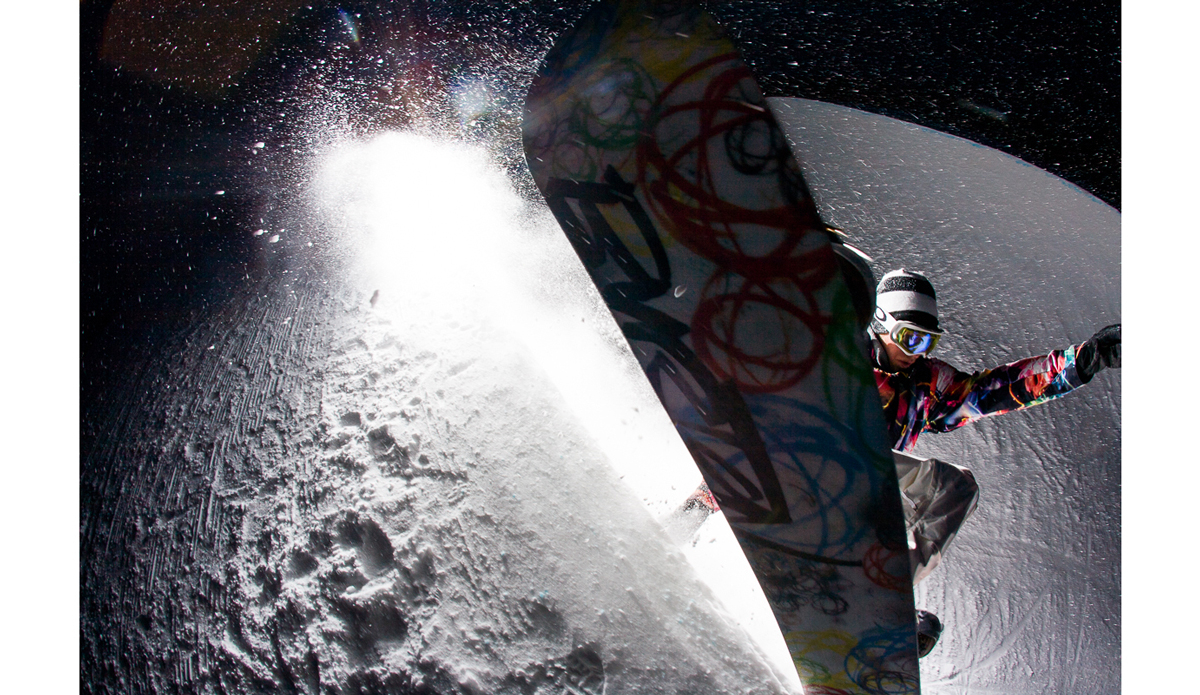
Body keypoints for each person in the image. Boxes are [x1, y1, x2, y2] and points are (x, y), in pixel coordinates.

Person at [868, 268, 1120, 655]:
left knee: (957, 488)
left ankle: (885, 588)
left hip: (865, 501)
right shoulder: (839, 354)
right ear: (879, 321)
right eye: (910, 338)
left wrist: (1084, 360)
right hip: (812, 467)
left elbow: (998, 390)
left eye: (928, 342)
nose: (917, 352)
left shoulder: (927, 384)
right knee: (914, 475)